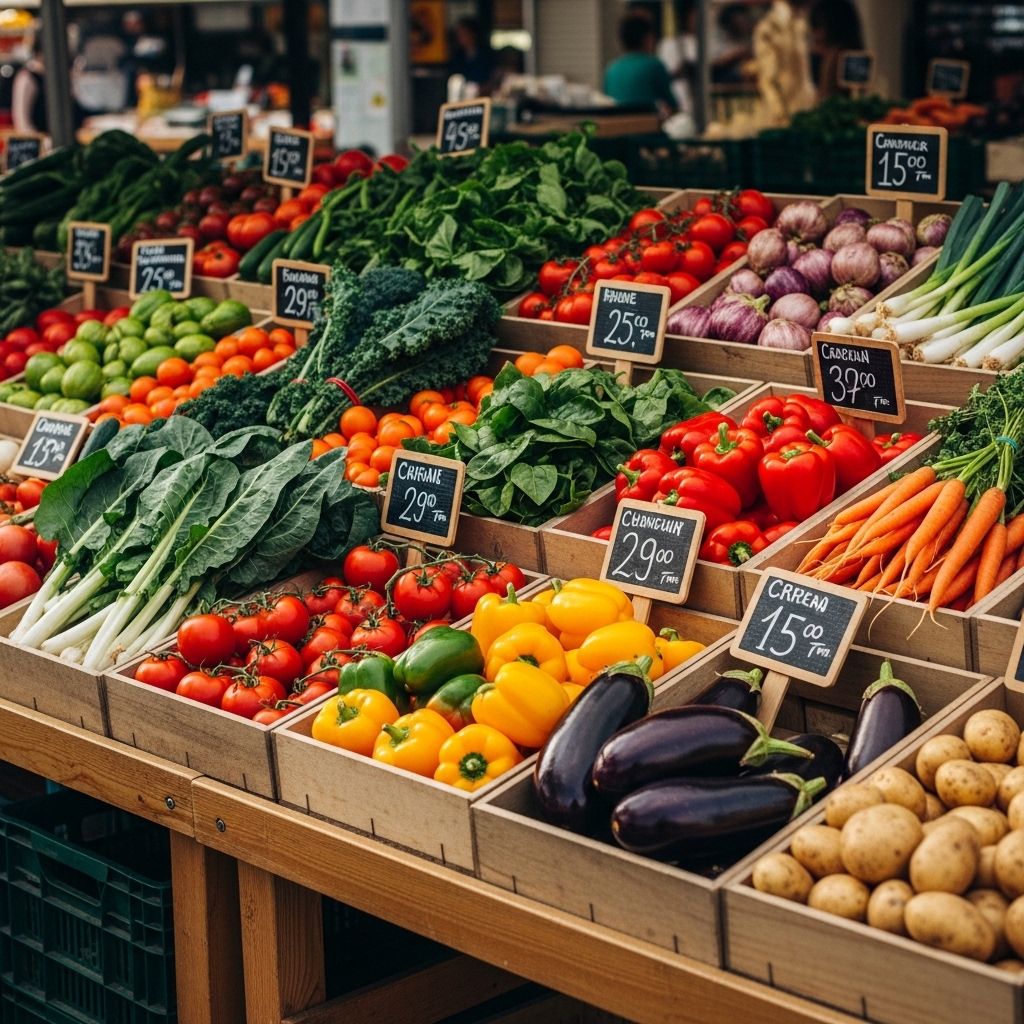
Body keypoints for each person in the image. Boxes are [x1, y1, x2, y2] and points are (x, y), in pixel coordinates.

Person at [604, 12, 676, 115]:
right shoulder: (654, 65)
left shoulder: (611, 68)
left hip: (617, 126)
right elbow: (672, 104)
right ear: (646, 38)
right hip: (647, 127)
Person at [810, 0, 864, 98]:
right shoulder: (833, 54)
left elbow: (825, 96)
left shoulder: (836, 55)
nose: (816, 34)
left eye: (819, 27)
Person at [657, 0, 698, 113]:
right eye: (695, 15)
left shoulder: (701, 43)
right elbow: (665, 75)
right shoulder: (668, 44)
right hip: (678, 101)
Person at [449, 16, 496, 94]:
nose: (460, 37)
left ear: (472, 34)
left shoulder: (486, 55)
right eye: (458, 34)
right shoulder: (457, 57)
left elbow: (493, 78)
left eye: (464, 34)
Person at [12, 40, 46, 132]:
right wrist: (42, 141)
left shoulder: (58, 76)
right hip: (40, 141)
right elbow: (22, 122)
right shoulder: (27, 77)